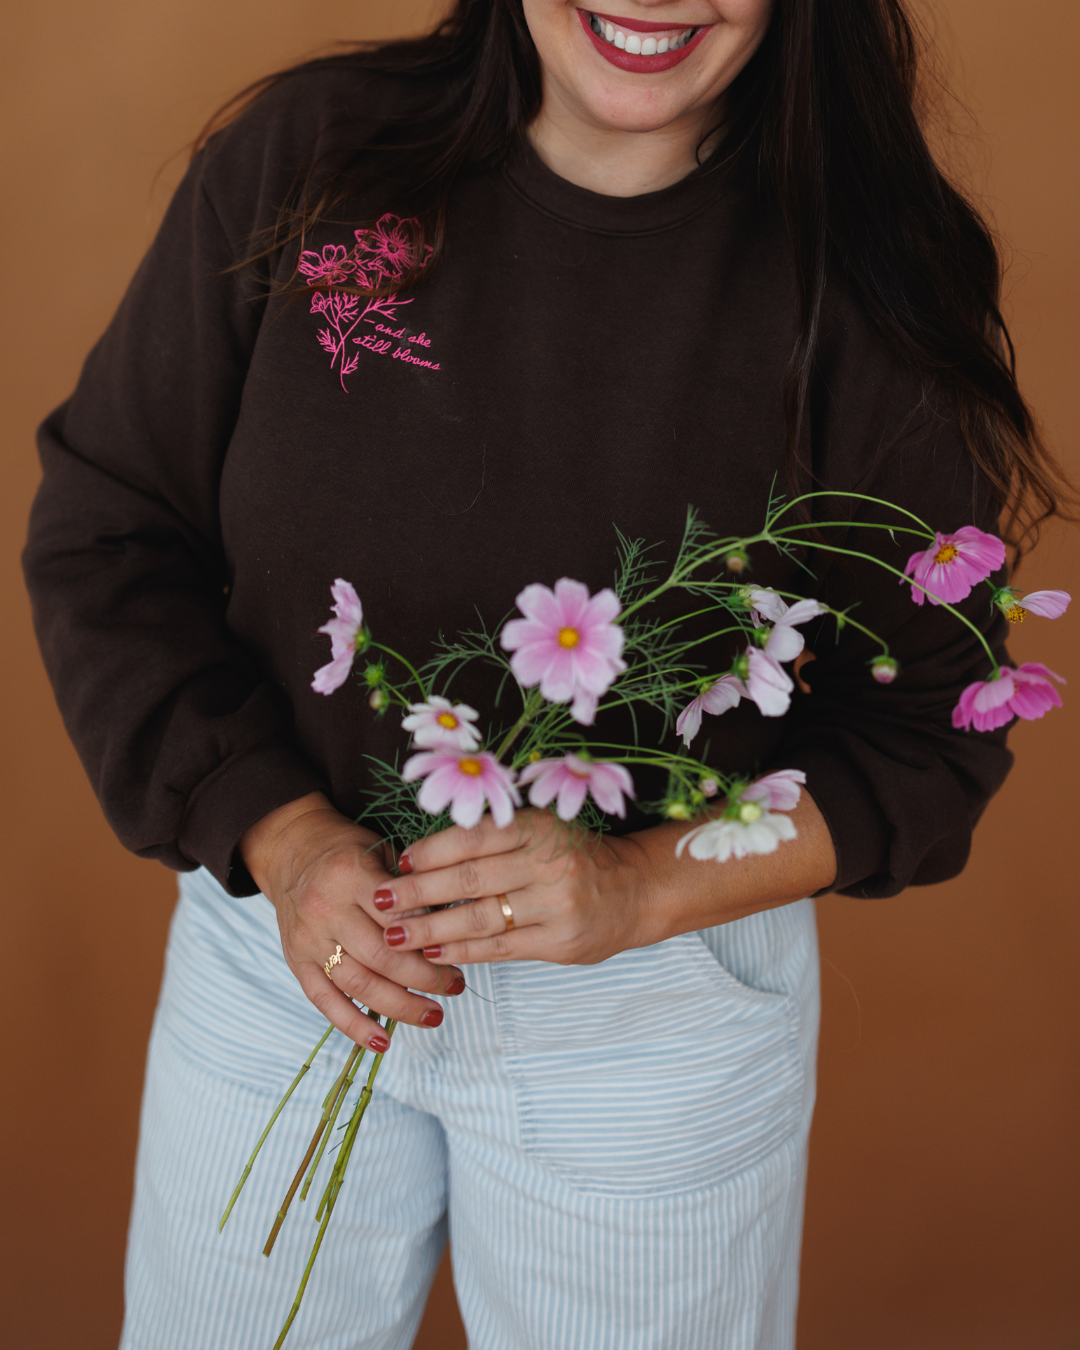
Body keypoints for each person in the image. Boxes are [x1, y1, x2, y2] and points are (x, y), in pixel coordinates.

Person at [22, 2, 1070, 1347]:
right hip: (287, 958)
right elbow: (109, 536)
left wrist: (636, 885)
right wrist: (280, 839)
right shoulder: (308, 161)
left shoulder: (867, 275)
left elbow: (935, 740)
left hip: (654, 1008)